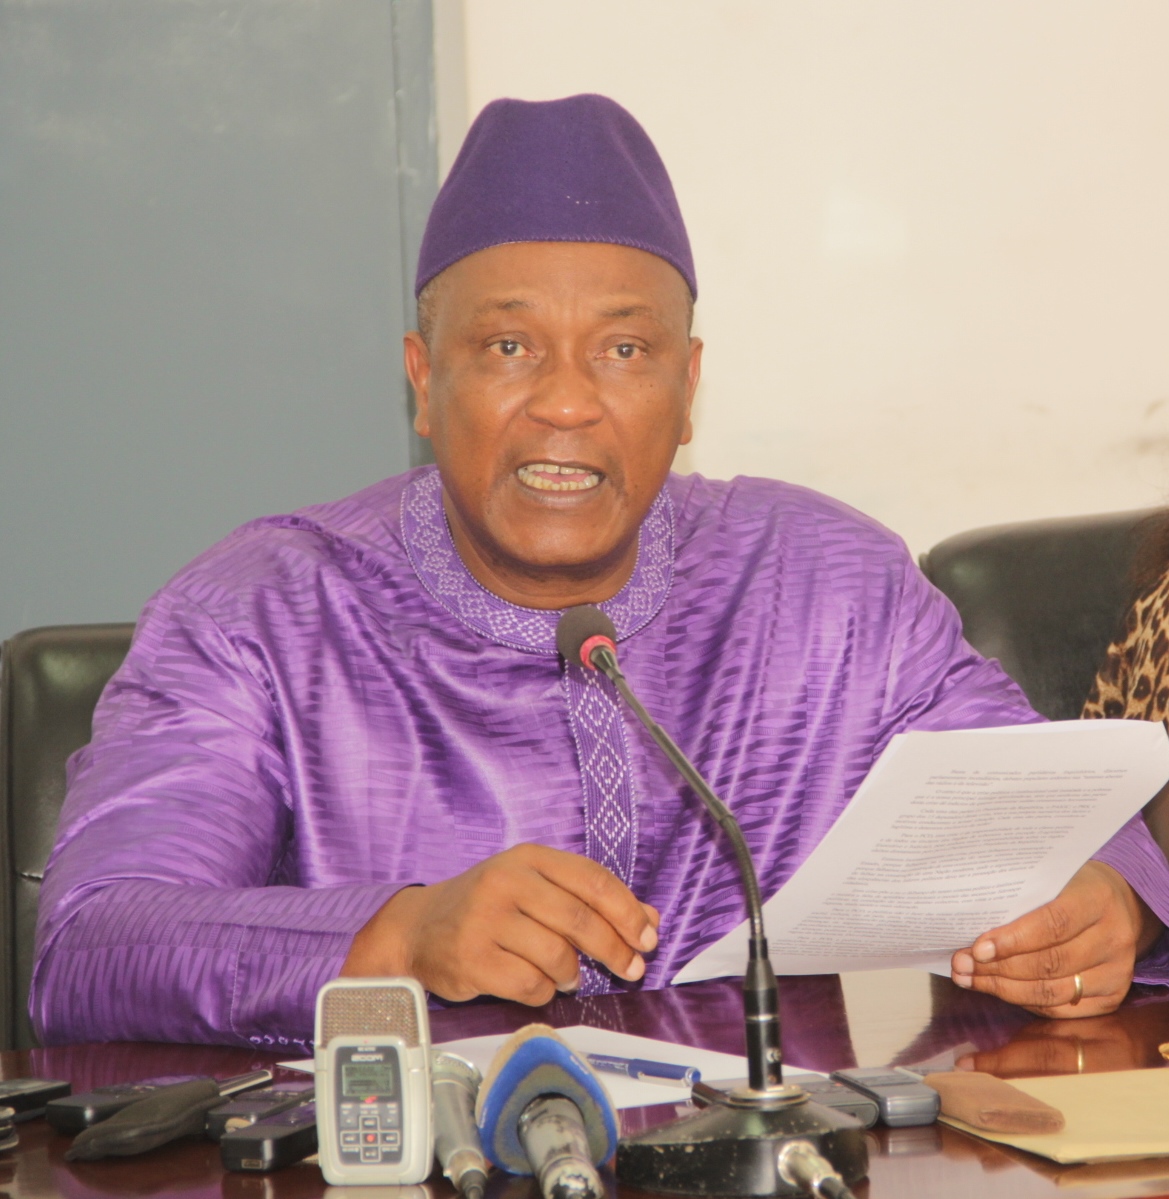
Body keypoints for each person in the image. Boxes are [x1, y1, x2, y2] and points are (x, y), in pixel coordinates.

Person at [32, 95, 1169, 1049]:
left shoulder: (823, 580)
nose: (567, 402)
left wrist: (1111, 900)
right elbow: (91, 943)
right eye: (508, 346)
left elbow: (1042, 802)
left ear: (687, 387)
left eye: (623, 349)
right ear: (423, 379)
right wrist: (397, 935)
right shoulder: (260, 611)